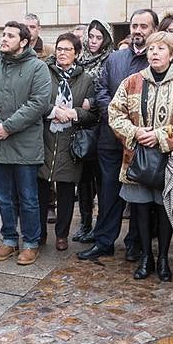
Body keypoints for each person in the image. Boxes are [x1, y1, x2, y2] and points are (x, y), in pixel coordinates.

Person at [107, 31, 173, 282]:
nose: (154, 53)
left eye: (161, 49)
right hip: (138, 158)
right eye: (151, 49)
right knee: (139, 208)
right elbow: (115, 112)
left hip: (172, 161)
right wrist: (135, 132)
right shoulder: (132, 82)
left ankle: (162, 258)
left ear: (172, 54)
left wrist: (162, 136)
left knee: (165, 208)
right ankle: (145, 257)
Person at [77, 9, 157, 262]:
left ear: (153, 30)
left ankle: (135, 243)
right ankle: (104, 242)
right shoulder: (115, 59)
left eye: (144, 26)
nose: (138, 30)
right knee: (109, 191)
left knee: (139, 196)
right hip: (111, 137)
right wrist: (117, 116)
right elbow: (101, 90)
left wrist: (135, 126)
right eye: (134, 25)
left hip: (142, 141)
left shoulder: (157, 60)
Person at [0, 21, 54, 263]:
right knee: (5, 197)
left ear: (23, 42)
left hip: (25, 147)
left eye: (10, 35)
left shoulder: (38, 68)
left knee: (29, 198)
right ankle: (9, 239)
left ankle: (30, 242)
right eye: (3, 34)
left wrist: (8, 127)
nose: (4, 38)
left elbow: (38, 103)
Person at [38, 33, 100, 250]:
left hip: (70, 142)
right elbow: (35, 101)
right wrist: (53, 110)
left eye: (67, 49)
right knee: (41, 191)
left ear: (77, 53)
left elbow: (93, 114)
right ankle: (40, 233)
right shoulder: (44, 73)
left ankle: (62, 234)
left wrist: (74, 113)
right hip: (45, 138)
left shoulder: (86, 80)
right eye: (59, 49)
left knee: (65, 192)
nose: (62, 53)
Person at [73, 19, 113, 242]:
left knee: (102, 180)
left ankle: (101, 226)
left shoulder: (111, 60)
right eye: (91, 36)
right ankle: (85, 223)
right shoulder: (81, 60)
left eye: (99, 37)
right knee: (84, 180)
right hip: (82, 127)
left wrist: (93, 102)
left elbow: (109, 90)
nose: (94, 41)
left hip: (103, 126)